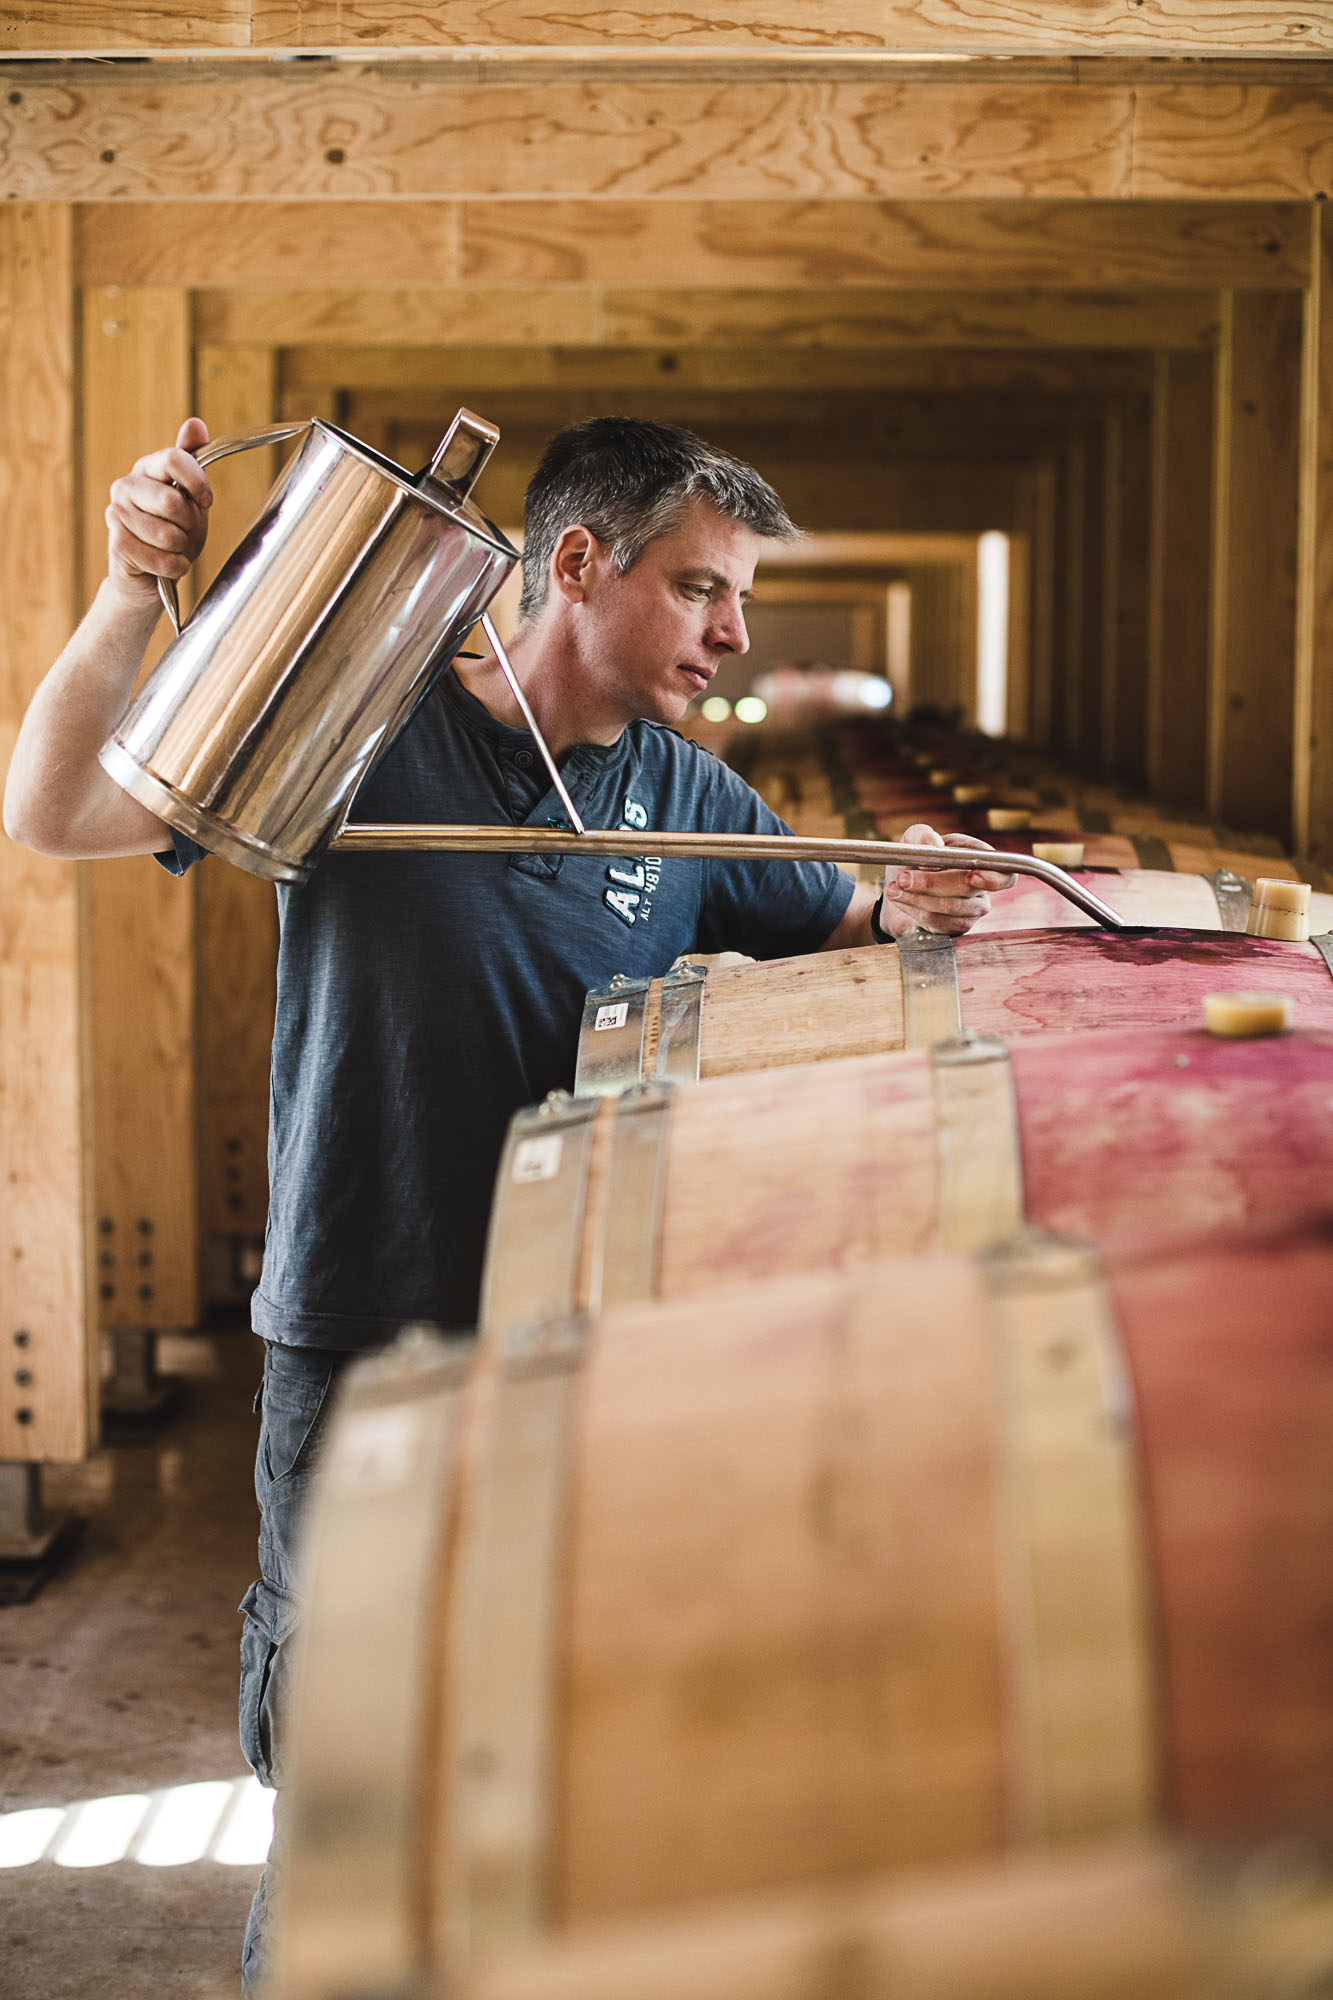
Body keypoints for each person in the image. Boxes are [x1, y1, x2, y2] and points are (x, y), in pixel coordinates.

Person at [4, 413, 1011, 1988]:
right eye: (698, 590)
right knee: (347, 1761)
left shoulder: (688, 793)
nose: (733, 632)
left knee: (538, 1758)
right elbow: (54, 812)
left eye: (736, 596)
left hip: (588, 1352)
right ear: (576, 563)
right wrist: (137, 588)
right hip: (363, 1326)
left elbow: (854, 922)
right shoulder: (364, 725)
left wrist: (920, 894)